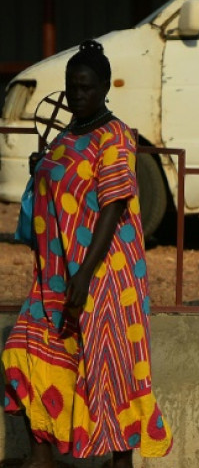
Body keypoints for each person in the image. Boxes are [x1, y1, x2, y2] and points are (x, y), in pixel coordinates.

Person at [1, 40, 173, 468]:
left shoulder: (114, 136)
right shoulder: (65, 136)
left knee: (110, 367)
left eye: (86, 87)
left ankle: (120, 462)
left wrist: (85, 275)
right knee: (21, 349)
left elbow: (112, 208)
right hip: (57, 277)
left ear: (102, 89)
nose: (77, 94)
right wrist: (41, 168)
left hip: (106, 274)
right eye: (71, 86)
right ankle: (43, 455)